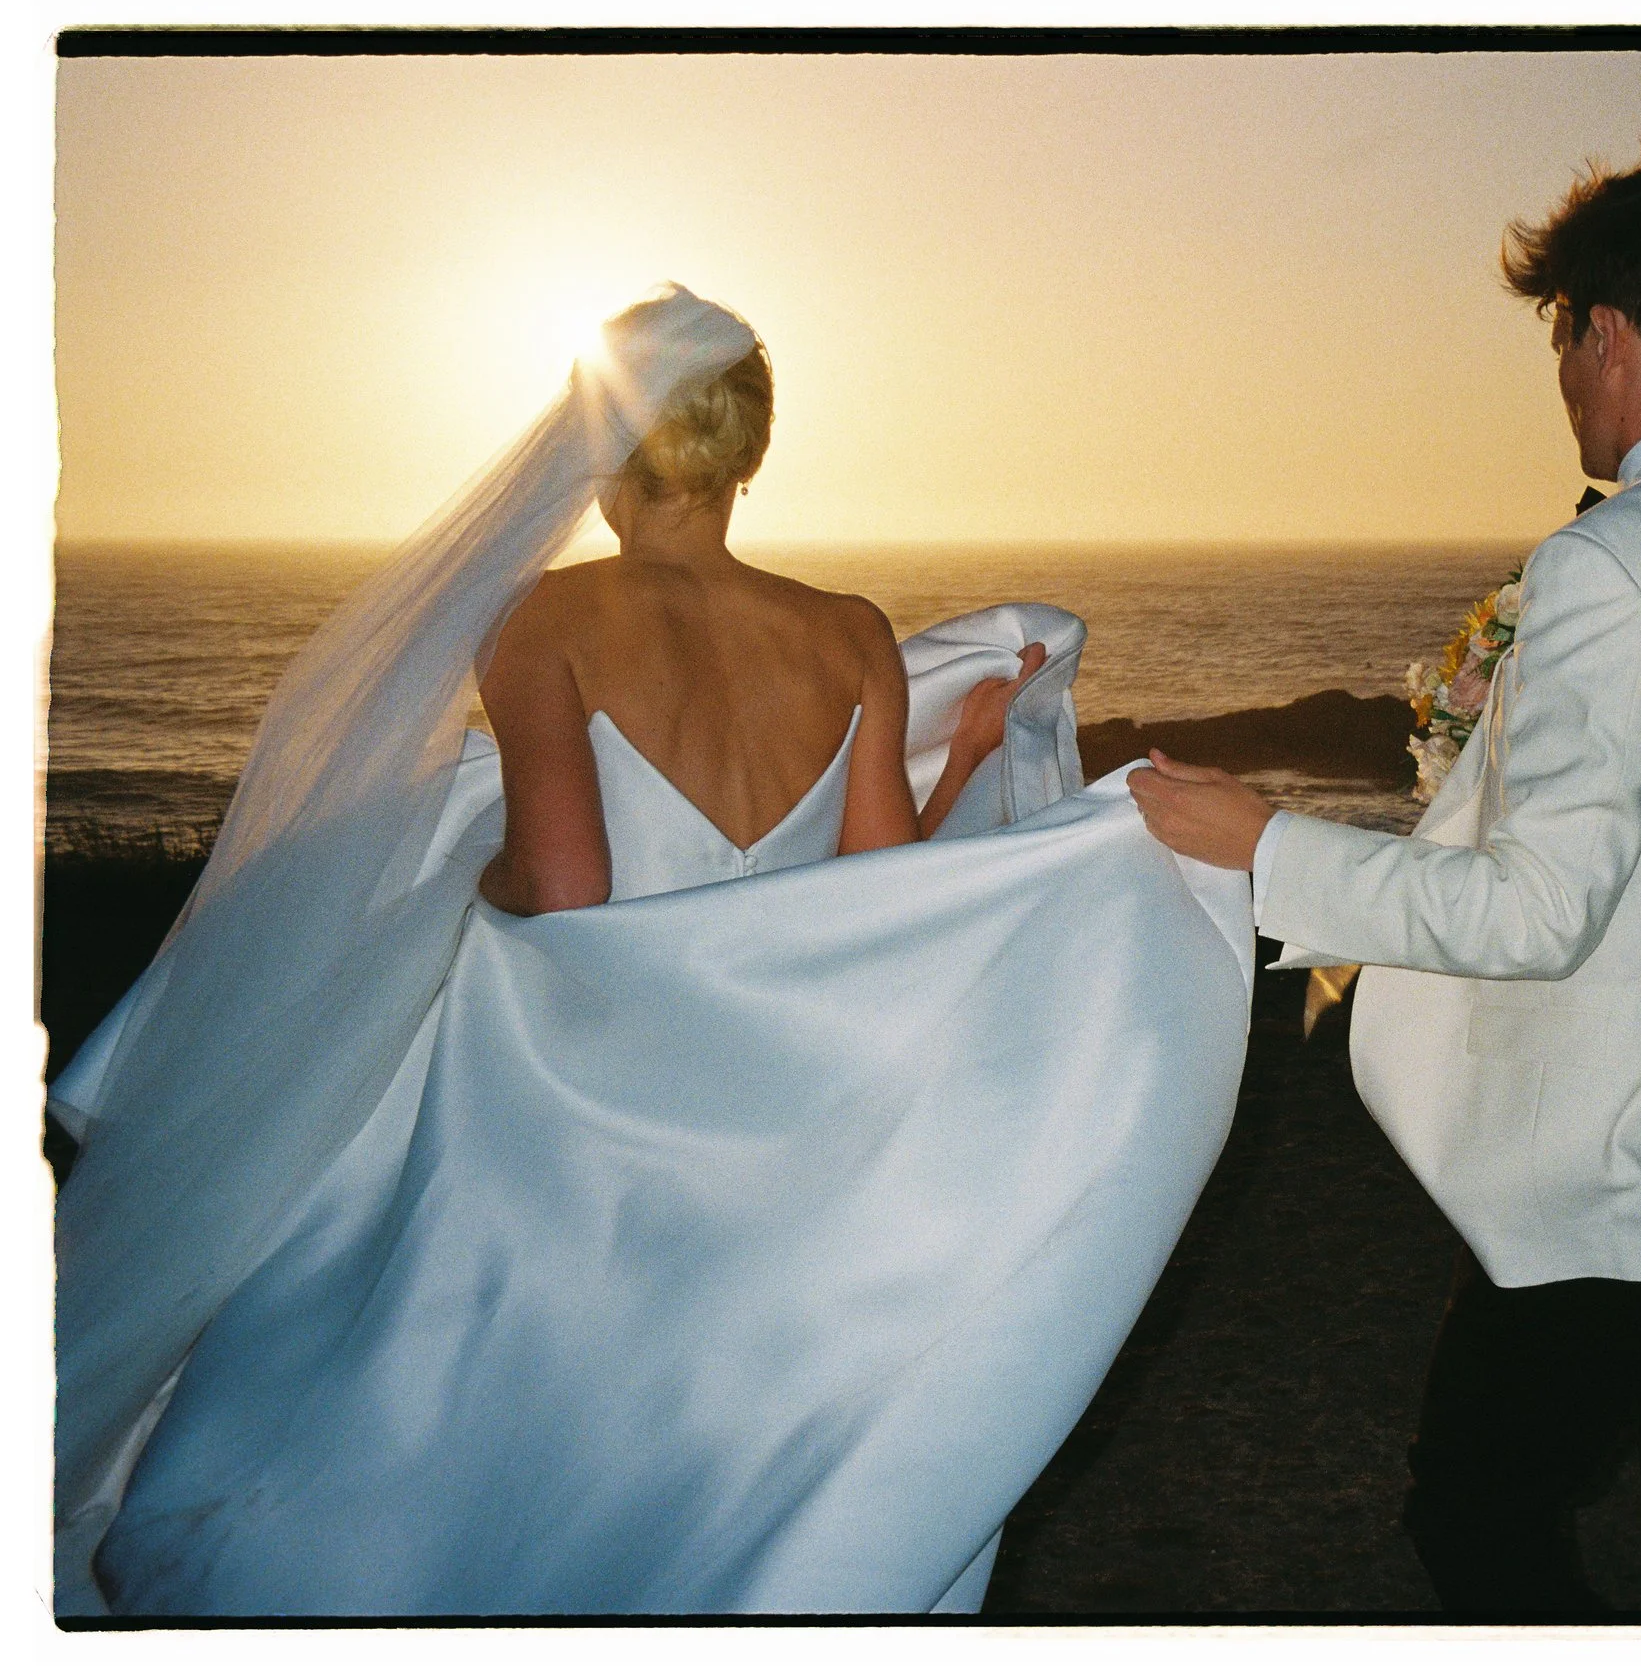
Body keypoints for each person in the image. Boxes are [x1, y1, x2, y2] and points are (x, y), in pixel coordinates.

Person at [53, 286, 1255, 1616]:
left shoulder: (546, 622)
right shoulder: (848, 629)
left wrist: (462, 863)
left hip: (593, 1093)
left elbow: (564, 893)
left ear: (600, 451)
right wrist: (959, 751)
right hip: (781, 1102)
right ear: (748, 451)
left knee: (450, 1375)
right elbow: (870, 896)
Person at [1129, 134, 1641, 1618]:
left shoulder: (1617, 561)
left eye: (1563, 337)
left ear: (1607, 333)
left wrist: (1263, 845)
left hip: (1638, 1182)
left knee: (1479, 1507)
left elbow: (1533, 911)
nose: (1564, 376)